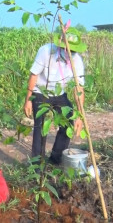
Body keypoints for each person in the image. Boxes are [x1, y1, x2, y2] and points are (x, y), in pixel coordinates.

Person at [23, 27, 86, 166]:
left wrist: (80, 116)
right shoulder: (46, 51)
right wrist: (28, 100)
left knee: (69, 120)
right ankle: (37, 163)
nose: (69, 53)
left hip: (59, 93)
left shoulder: (77, 61)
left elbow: (79, 89)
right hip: (41, 92)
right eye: (67, 49)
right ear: (60, 45)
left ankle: (56, 158)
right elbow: (34, 75)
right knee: (40, 126)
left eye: (73, 51)